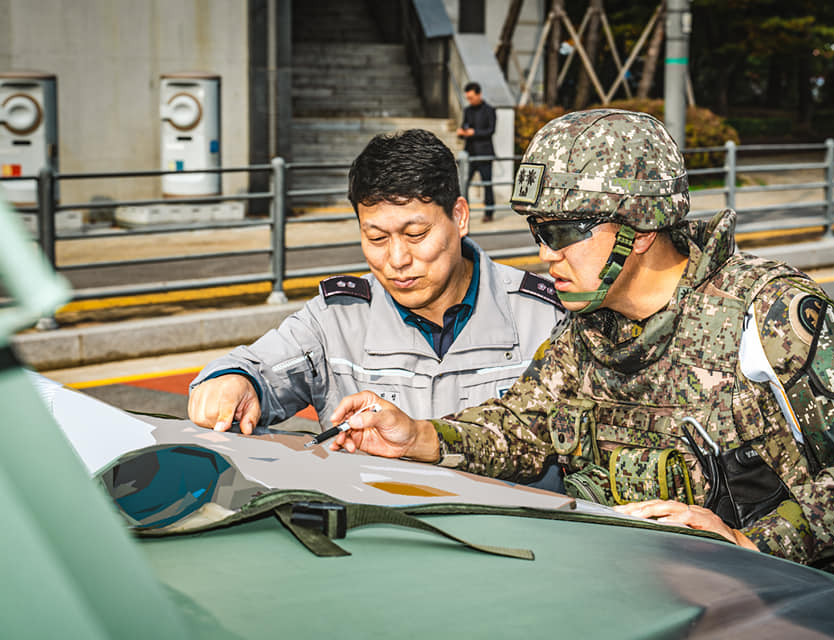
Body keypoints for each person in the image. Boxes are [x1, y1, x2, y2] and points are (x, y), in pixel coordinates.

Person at [328, 110, 834, 583]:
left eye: (563, 232)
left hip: (780, 605)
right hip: (631, 596)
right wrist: (420, 437)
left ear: (637, 230)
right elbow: (521, 428)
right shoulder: (588, 330)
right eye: (539, 231)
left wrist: (754, 544)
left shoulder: (769, 315)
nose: (545, 253)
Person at [187, 129, 565, 452]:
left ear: (460, 217)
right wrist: (233, 383)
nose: (397, 259)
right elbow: (255, 368)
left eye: (416, 234)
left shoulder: (545, 316)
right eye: (376, 237)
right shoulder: (336, 319)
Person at [456, 82, 496, 223]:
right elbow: (464, 127)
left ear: (479, 94)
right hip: (470, 154)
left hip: (484, 153)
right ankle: (461, 212)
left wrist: (474, 133)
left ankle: (489, 212)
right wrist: (461, 132)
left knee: (487, 184)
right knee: (463, 184)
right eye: (468, 98)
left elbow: (491, 130)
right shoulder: (467, 111)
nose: (470, 100)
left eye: (472, 97)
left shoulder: (489, 110)